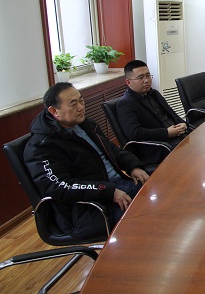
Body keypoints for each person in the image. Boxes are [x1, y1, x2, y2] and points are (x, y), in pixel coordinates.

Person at [24, 83, 149, 238]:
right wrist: (108, 191)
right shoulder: (41, 146)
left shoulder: (86, 125)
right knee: (146, 228)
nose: (81, 107)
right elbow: (61, 186)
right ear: (54, 111)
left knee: (165, 199)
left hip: (119, 186)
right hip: (91, 208)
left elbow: (112, 149)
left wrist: (134, 166)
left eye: (81, 100)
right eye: (73, 104)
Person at [117, 60, 189, 167]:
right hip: (158, 147)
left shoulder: (154, 93)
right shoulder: (125, 104)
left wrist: (183, 123)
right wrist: (167, 133)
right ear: (128, 82)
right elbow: (135, 133)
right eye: (140, 77)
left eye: (148, 75)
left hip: (177, 137)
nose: (146, 80)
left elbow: (172, 114)